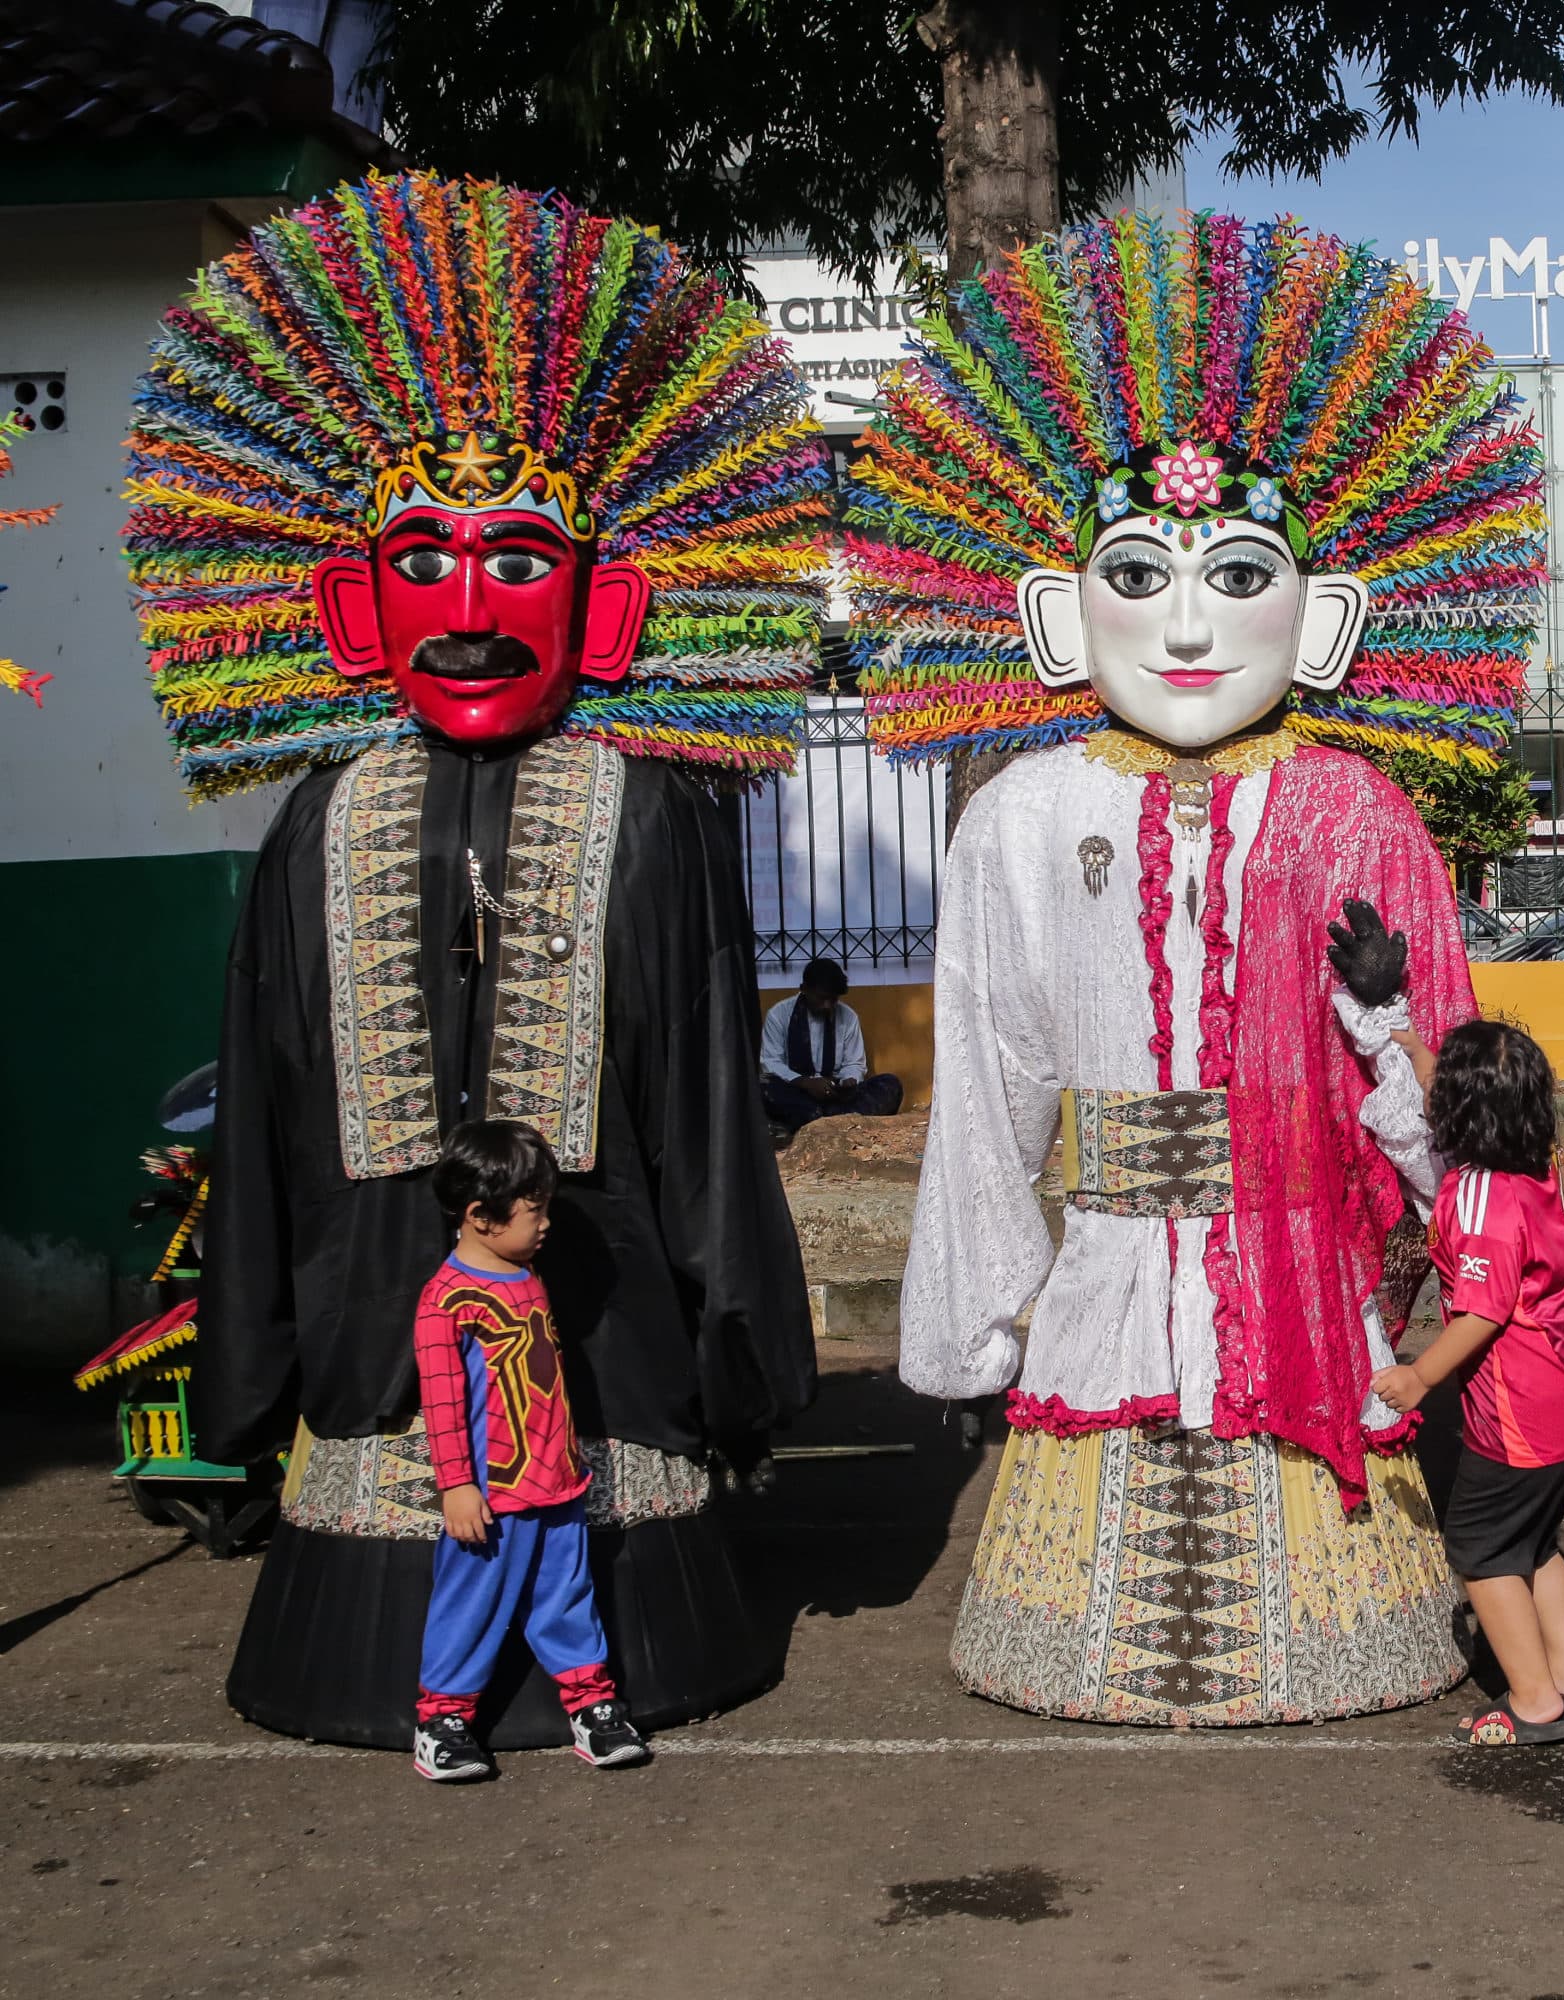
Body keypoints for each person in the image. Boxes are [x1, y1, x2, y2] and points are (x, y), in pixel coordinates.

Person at [129, 174, 825, 1750]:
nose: (465, 607)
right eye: (420, 563)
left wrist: (738, 1354)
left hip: (616, 1335)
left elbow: (710, 1097)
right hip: (374, 1326)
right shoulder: (317, 820)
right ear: (351, 612)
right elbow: (263, 1111)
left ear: (608, 602)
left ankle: (596, 1675)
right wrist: (248, 1377)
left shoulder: (651, 811)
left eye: (518, 562)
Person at [851, 213, 1547, 1725]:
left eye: (1238, 574)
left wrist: (1417, 1137)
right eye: (1135, 576)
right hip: (1103, 1267)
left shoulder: (1359, 809)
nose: (1182, 625)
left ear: (1327, 620)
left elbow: (1441, 1066)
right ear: (1053, 612)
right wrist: (986, 1312)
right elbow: (984, 1090)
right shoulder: (1021, 817)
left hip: (1304, 1258)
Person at [1372, 1019, 1564, 1748]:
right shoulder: (1531, 1166)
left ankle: (1534, 1702)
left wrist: (1419, 1375)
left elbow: (1481, 1311)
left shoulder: (1477, 1199)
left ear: (1457, 1117)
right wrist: (1419, 1055)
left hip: (1527, 1410)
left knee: (1481, 1546)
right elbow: (1468, 1103)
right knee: (1533, 1540)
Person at [411, 1120, 649, 1780]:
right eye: (534, 1209)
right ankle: (442, 1722)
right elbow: (441, 1403)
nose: (545, 1222)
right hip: (491, 1499)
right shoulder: (445, 1303)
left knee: (568, 1599)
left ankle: (593, 1709)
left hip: (558, 1486)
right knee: (472, 1606)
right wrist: (457, 1486)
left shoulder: (528, 1277)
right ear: (480, 1217)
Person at [760, 959, 905, 1132]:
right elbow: (771, 1063)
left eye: (833, 999)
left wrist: (848, 1081)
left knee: (890, 1084)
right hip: (797, 1093)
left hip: (837, 1097)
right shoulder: (779, 1015)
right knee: (763, 1086)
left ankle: (821, 1121)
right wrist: (805, 1083)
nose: (827, 1005)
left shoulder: (848, 1017)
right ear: (804, 989)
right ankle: (836, 1121)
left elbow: (854, 1064)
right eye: (821, 998)